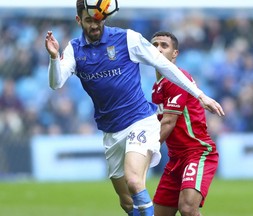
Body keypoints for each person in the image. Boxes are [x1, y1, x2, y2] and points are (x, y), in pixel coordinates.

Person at [45, 1, 224, 215]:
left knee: (134, 181)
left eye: (98, 20)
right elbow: (56, 83)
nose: (94, 25)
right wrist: (54, 57)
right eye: (89, 20)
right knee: (127, 201)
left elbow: (164, 65)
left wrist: (200, 95)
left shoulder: (126, 38)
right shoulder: (74, 49)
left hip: (140, 121)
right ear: (78, 21)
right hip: (111, 131)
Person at [151, 31, 219, 216]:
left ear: (175, 54)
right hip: (175, 159)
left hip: (197, 153)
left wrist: (145, 152)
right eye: (154, 45)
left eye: (164, 45)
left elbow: (168, 123)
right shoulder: (157, 86)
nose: (158, 49)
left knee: (188, 208)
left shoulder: (176, 78)